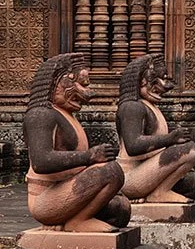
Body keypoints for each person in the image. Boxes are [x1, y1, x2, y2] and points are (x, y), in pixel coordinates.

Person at [23, 52, 125, 231]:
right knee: (111, 171)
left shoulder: (65, 115)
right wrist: (89, 156)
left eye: (85, 85)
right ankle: (77, 222)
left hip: (67, 191)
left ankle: (77, 218)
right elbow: (41, 162)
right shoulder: (40, 115)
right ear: (54, 83)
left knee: (120, 210)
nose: (87, 92)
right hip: (46, 199)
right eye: (78, 83)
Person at [114, 54, 195, 203]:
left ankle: (156, 192)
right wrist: (171, 139)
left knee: (193, 184)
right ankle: (159, 193)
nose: (164, 86)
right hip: (131, 177)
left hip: (147, 172)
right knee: (190, 151)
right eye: (156, 80)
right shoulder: (131, 107)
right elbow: (133, 146)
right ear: (139, 81)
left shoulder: (150, 107)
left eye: (165, 79)